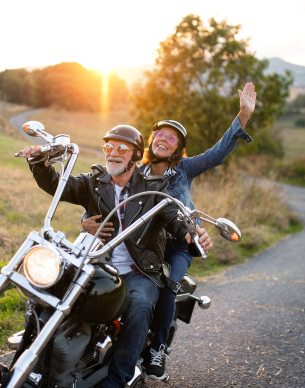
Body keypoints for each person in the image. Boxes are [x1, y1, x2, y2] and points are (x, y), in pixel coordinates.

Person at [82, 82, 257, 380]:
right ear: (150, 142)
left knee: (169, 285)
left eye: (172, 138)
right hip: (144, 241)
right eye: (160, 134)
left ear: (177, 149)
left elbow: (216, 154)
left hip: (178, 242)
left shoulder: (185, 170)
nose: (164, 138)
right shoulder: (137, 171)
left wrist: (242, 116)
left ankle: (158, 348)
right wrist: (86, 221)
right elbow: (106, 196)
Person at [17, 124, 204, 388]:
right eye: (109, 147)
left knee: (139, 308)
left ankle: (117, 380)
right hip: (97, 266)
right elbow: (58, 185)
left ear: (135, 156)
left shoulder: (154, 187)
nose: (113, 153)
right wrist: (39, 162)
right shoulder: (94, 182)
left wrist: (191, 233)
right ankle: (38, 358)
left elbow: (174, 218)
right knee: (51, 291)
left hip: (138, 272)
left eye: (121, 149)